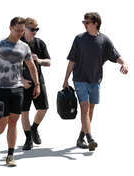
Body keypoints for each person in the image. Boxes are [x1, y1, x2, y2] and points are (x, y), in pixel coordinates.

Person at [63, 12, 128, 151]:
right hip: (80, 79)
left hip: (95, 80)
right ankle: (90, 138)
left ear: (96, 23)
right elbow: (72, 60)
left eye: (87, 22)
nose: (85, 24)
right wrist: (65, 79)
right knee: (85, 108)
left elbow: (115, 55)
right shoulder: (79, 39)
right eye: (84, 22)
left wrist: (124, 63)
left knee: (90, 110)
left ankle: (81, 137)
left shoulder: (104, 40)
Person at [0, 17, 41, 167]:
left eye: (22, 31)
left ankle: (10, 155)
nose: (20, 33)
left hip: (17, 89)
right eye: (17, 30)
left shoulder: (24, 47)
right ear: (10, 28)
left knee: (13, 122)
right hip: (1, 89)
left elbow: (32, 66)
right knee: (2, 123)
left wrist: (37, 84)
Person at [20, 17, 51, 150]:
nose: (35, 32)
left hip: (38, 80)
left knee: (43, 108)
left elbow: (49, 62)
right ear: (24, 29)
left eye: (36, 29)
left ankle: (34, 128)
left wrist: (39, 61)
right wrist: (20, 80)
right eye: (32, 29)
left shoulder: (40, 43)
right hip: (22, 82)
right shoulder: (17, 43)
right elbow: (9, 65)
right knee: (24, 111)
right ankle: (28, 140)